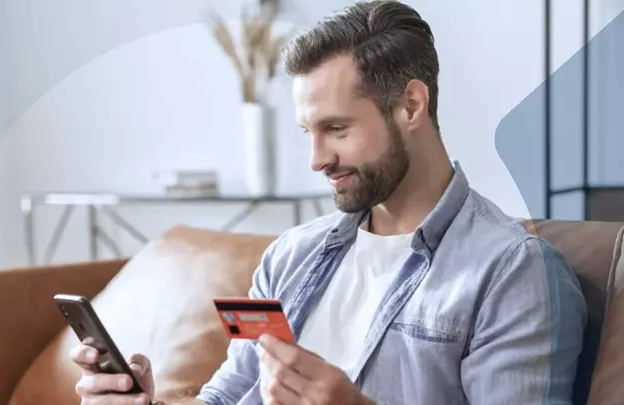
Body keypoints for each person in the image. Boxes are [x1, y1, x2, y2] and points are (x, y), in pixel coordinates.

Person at [70, 1, 588, 404]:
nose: (317, 159)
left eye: (336, 128)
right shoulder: (288, 258)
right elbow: (228, 394)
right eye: (307, 132)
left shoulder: (510, 272)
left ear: (411, 104)